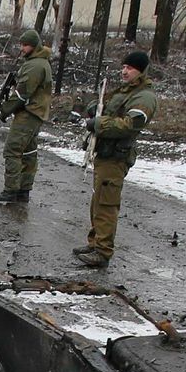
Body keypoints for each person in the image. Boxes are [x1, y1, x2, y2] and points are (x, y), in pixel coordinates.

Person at [73, 50, 160, 268]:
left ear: (140, 71)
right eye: (123, 67)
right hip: (104, 153)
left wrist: (99, 124)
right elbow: (110, 110)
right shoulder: (125, 91)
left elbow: (129, 125)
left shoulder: (144, 97)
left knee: (107, 203)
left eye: (129, 68)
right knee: (98, 201)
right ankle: (95, 242)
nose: (124, 71)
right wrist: (95, 109)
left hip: (116, 156)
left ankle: (103, 251)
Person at [0, 30, 53, 205]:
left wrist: (5, 110)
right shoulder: (38, 62)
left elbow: (22, 93)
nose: (22, 48)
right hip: (36, 112)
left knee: (12, 150)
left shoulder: (35, 65)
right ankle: (23, 190)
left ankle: (11, 190)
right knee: (28, 152)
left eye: (25, 45)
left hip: (29, 113)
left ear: (34, 46)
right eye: (21, 45)